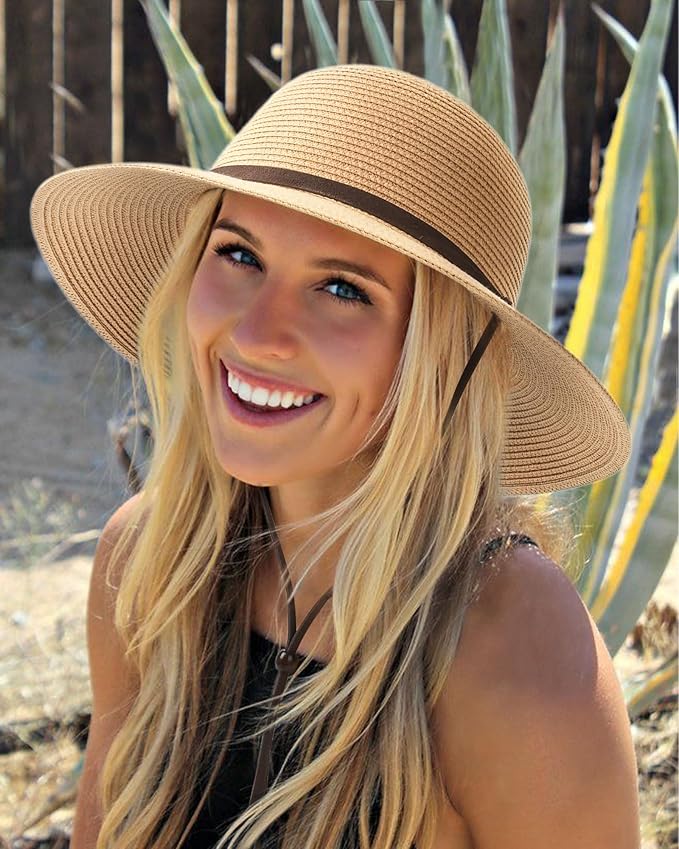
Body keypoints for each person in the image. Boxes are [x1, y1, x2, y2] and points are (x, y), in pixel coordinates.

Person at [30, 64, 640, 849]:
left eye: (343, 289)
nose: (256, 334)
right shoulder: (152, 563)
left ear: (440, 357)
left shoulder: (510, 641)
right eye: (238, 255)